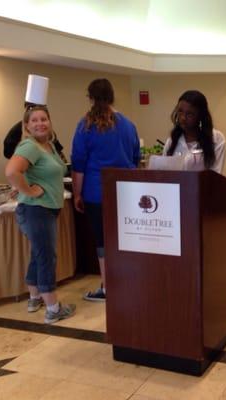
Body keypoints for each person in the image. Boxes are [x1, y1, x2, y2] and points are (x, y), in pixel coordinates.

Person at [71, 78, 140, 302]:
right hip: (125, 191)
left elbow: (79, 165)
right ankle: (129, 281)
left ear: (90, 98)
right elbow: (135, 159)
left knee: (103, 241)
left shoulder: (85, 126)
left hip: (96, 192)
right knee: (125, 238)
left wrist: (77, 194)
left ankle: (108, 287)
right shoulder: (128, 125)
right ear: (112, 97)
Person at [5, 105, 75, 324]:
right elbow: (11, 171)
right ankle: (53, 308)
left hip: (46, 209)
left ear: (50, 122)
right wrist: (29, 190)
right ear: (26, 125)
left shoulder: (48, 146)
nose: (40, 123)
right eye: (34, 120)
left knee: (38, 254)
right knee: (46, 257)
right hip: (37, 209)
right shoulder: (30, 146)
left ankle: (35, 298)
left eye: (44, 119)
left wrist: (29, 185)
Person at [164, 90, 226, 173]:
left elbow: (216, 174)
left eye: (189, 114)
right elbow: (165, 173)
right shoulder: (172, 141)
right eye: (180, 111)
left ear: (200, 116)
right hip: (177, 186)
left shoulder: (216, 139)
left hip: (205, 186)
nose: (183, 118)